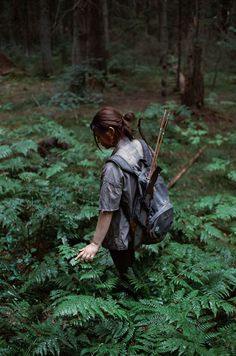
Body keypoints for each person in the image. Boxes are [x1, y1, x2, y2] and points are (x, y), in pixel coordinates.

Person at [75, 106, 148, 281]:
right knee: (131, 267)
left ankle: (135, 299)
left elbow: (107, 211)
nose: (99, 141)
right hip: (141, 219)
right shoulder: (140, 145)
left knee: (127, 275)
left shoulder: (112, 168)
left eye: (99, 136)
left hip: (122, 231)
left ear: (110, 131)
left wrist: (94, 244)